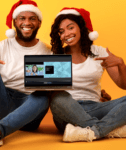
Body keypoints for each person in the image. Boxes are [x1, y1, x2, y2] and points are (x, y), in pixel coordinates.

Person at [0, 0, 52, 150]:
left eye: (32, 18)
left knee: (44, 96)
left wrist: (92, 95)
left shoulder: (48, 51)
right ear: (15, 22)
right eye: (22, 18)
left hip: (30, 111)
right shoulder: (0, 46)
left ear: (39, 23)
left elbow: (63, 83)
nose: (27, 22)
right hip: (2, 104)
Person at [50, 7, 126, 142]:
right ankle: (109, 129)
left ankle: (92, 132)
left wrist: (120, 63)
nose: (66, 34)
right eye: (61, 31)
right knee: (58, 99)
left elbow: (123, 85)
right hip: (67, 110)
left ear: (81, 28)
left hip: (95, 107)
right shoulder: (55, 56)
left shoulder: (100, 52)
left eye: (70, 28)